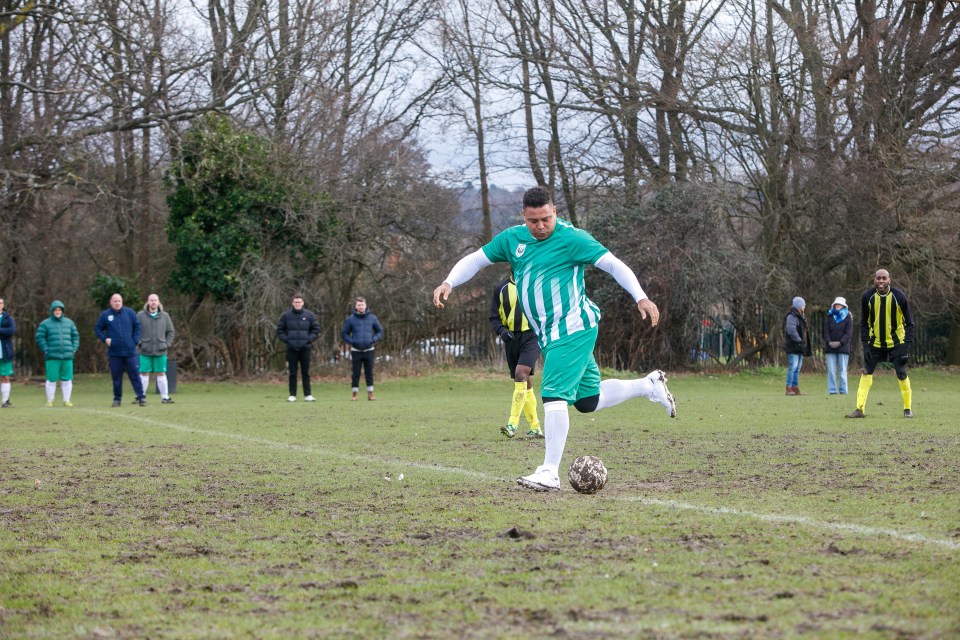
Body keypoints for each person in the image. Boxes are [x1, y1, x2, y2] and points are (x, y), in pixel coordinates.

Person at [433, 186, 675, 491]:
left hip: (573, 328)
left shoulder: (572, 238)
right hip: (549, 335)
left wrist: (640, 297)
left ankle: (549, 472)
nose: (540, 226)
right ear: (524, 216)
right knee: (588, 401)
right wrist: (449, 282)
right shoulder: (513, 239)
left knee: (553, 395)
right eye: (533, 220)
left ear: (555, 212)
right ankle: (648, 385)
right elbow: (476, 260)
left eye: (546, 218)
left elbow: (613, 263)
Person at [847, 269, 915, 419]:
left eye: (884, 278)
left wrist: (905, 346)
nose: (881, 281)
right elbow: (864, 324)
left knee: (901, 373)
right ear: (874, 280)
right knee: (866, 372)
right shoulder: (867, 297)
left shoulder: (899, 297)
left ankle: (907, 409)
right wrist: (866, 345)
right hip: (875, 343)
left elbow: (910, 323)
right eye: (878, 278)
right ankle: (859, 409)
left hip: (897, 343)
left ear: (889, 280)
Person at [489, 272, 543, 438]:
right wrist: (502, 331)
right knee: (524, 382)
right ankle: (535, 428)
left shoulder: (537, 285)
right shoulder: (501, 288)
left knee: (521, 374)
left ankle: (512, 424)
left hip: (532, 336)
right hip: (512, 339)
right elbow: (494, 317)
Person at [95, 293, 146, 407]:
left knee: (135, 375)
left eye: (119, 301)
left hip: (130, 352)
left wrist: (135, 340)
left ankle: (141, 397)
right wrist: (105, 339)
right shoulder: (105, 315)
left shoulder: (130, 313)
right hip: (114, 353)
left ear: (122, 302)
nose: (117, 303)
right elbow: (97, 328)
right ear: (111, 302)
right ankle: (117, 399)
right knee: (116, 377)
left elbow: (137, 326)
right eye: (115, 301)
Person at [35, 300, 80, 407]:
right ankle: (50, 400)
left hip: (67, 356)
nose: (57, 311)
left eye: (59, 309)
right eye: (55, 310)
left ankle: (66, 400)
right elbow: (39, 337)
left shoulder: (69, 323)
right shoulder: (45, 323)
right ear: (52, 311)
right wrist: (46, 349)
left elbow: (75, 336)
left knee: (67, 379)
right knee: (51, 379)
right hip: (52, 356)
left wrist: (74, 348)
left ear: (62, 311)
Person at [276, 293, 320, 402]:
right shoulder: (286, 316)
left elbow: (316, 330)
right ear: (292, 303)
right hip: (291, 349)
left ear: (303, 303)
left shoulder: (309, 315)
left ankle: (308, 395)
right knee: (292, 373)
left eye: (299, 302)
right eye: (295, 302)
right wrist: (287, 340)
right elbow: (280, 330)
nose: (297, 304)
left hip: (305, 348)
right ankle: (292, 395)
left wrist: (308, 340)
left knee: (306, 372)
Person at [341, 296, 383, 401]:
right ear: (355, 306)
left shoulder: (372, 318)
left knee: (369, 372)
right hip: (356, 350)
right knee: (356, 373)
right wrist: (352, 341)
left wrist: (373, 339)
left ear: (365, 305)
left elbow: (380, 331)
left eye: (362, 305)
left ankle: (370, 393)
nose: (360, 307)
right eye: (358, 305)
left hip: (369, 349)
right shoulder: (350, 319)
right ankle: (354, 394)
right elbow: (344, 333)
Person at [137, 293, 176, 404]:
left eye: (155, 300)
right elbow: (135, 331)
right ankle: (141, 396)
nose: (153, 302)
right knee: (144, 373)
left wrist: (166, 344)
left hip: (161, 350)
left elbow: (171, 332)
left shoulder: (165, 316)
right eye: (151, 300)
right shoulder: (140, 315)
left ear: (158, 302)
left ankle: (165, 397)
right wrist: (140, 343)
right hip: (145, 351)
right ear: (147, 302)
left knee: (161, 373)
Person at [823, 296, 853, 395]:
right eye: (836, 304)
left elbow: (848, 333)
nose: (837, 306)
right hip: (830, 348)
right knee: (831, 371)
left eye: (839, 304)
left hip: (843, 347)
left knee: (842, 370)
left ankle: (843, 390)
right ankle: (832, 390)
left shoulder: (848, 317)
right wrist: (829, 342)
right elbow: (826, 331)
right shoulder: (829, 316)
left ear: (843, 306)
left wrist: (840, 342)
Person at [783, 296, 811, 395]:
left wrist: (803, 343)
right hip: (793, 347)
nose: (804, 308)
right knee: (793, 367)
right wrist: (800, 340)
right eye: (803, 306)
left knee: (798, 367)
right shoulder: (791, 317)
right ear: (798, 306)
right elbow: (791, 331)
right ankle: (789, 387)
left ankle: (795, 387)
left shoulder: (801, 316)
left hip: (799, 347)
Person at [0, 297, 15, 408]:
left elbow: (11, 330)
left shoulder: (8, 318)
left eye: (1, 303)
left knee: (5, 376)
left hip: (4, 351)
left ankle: (5, 401)